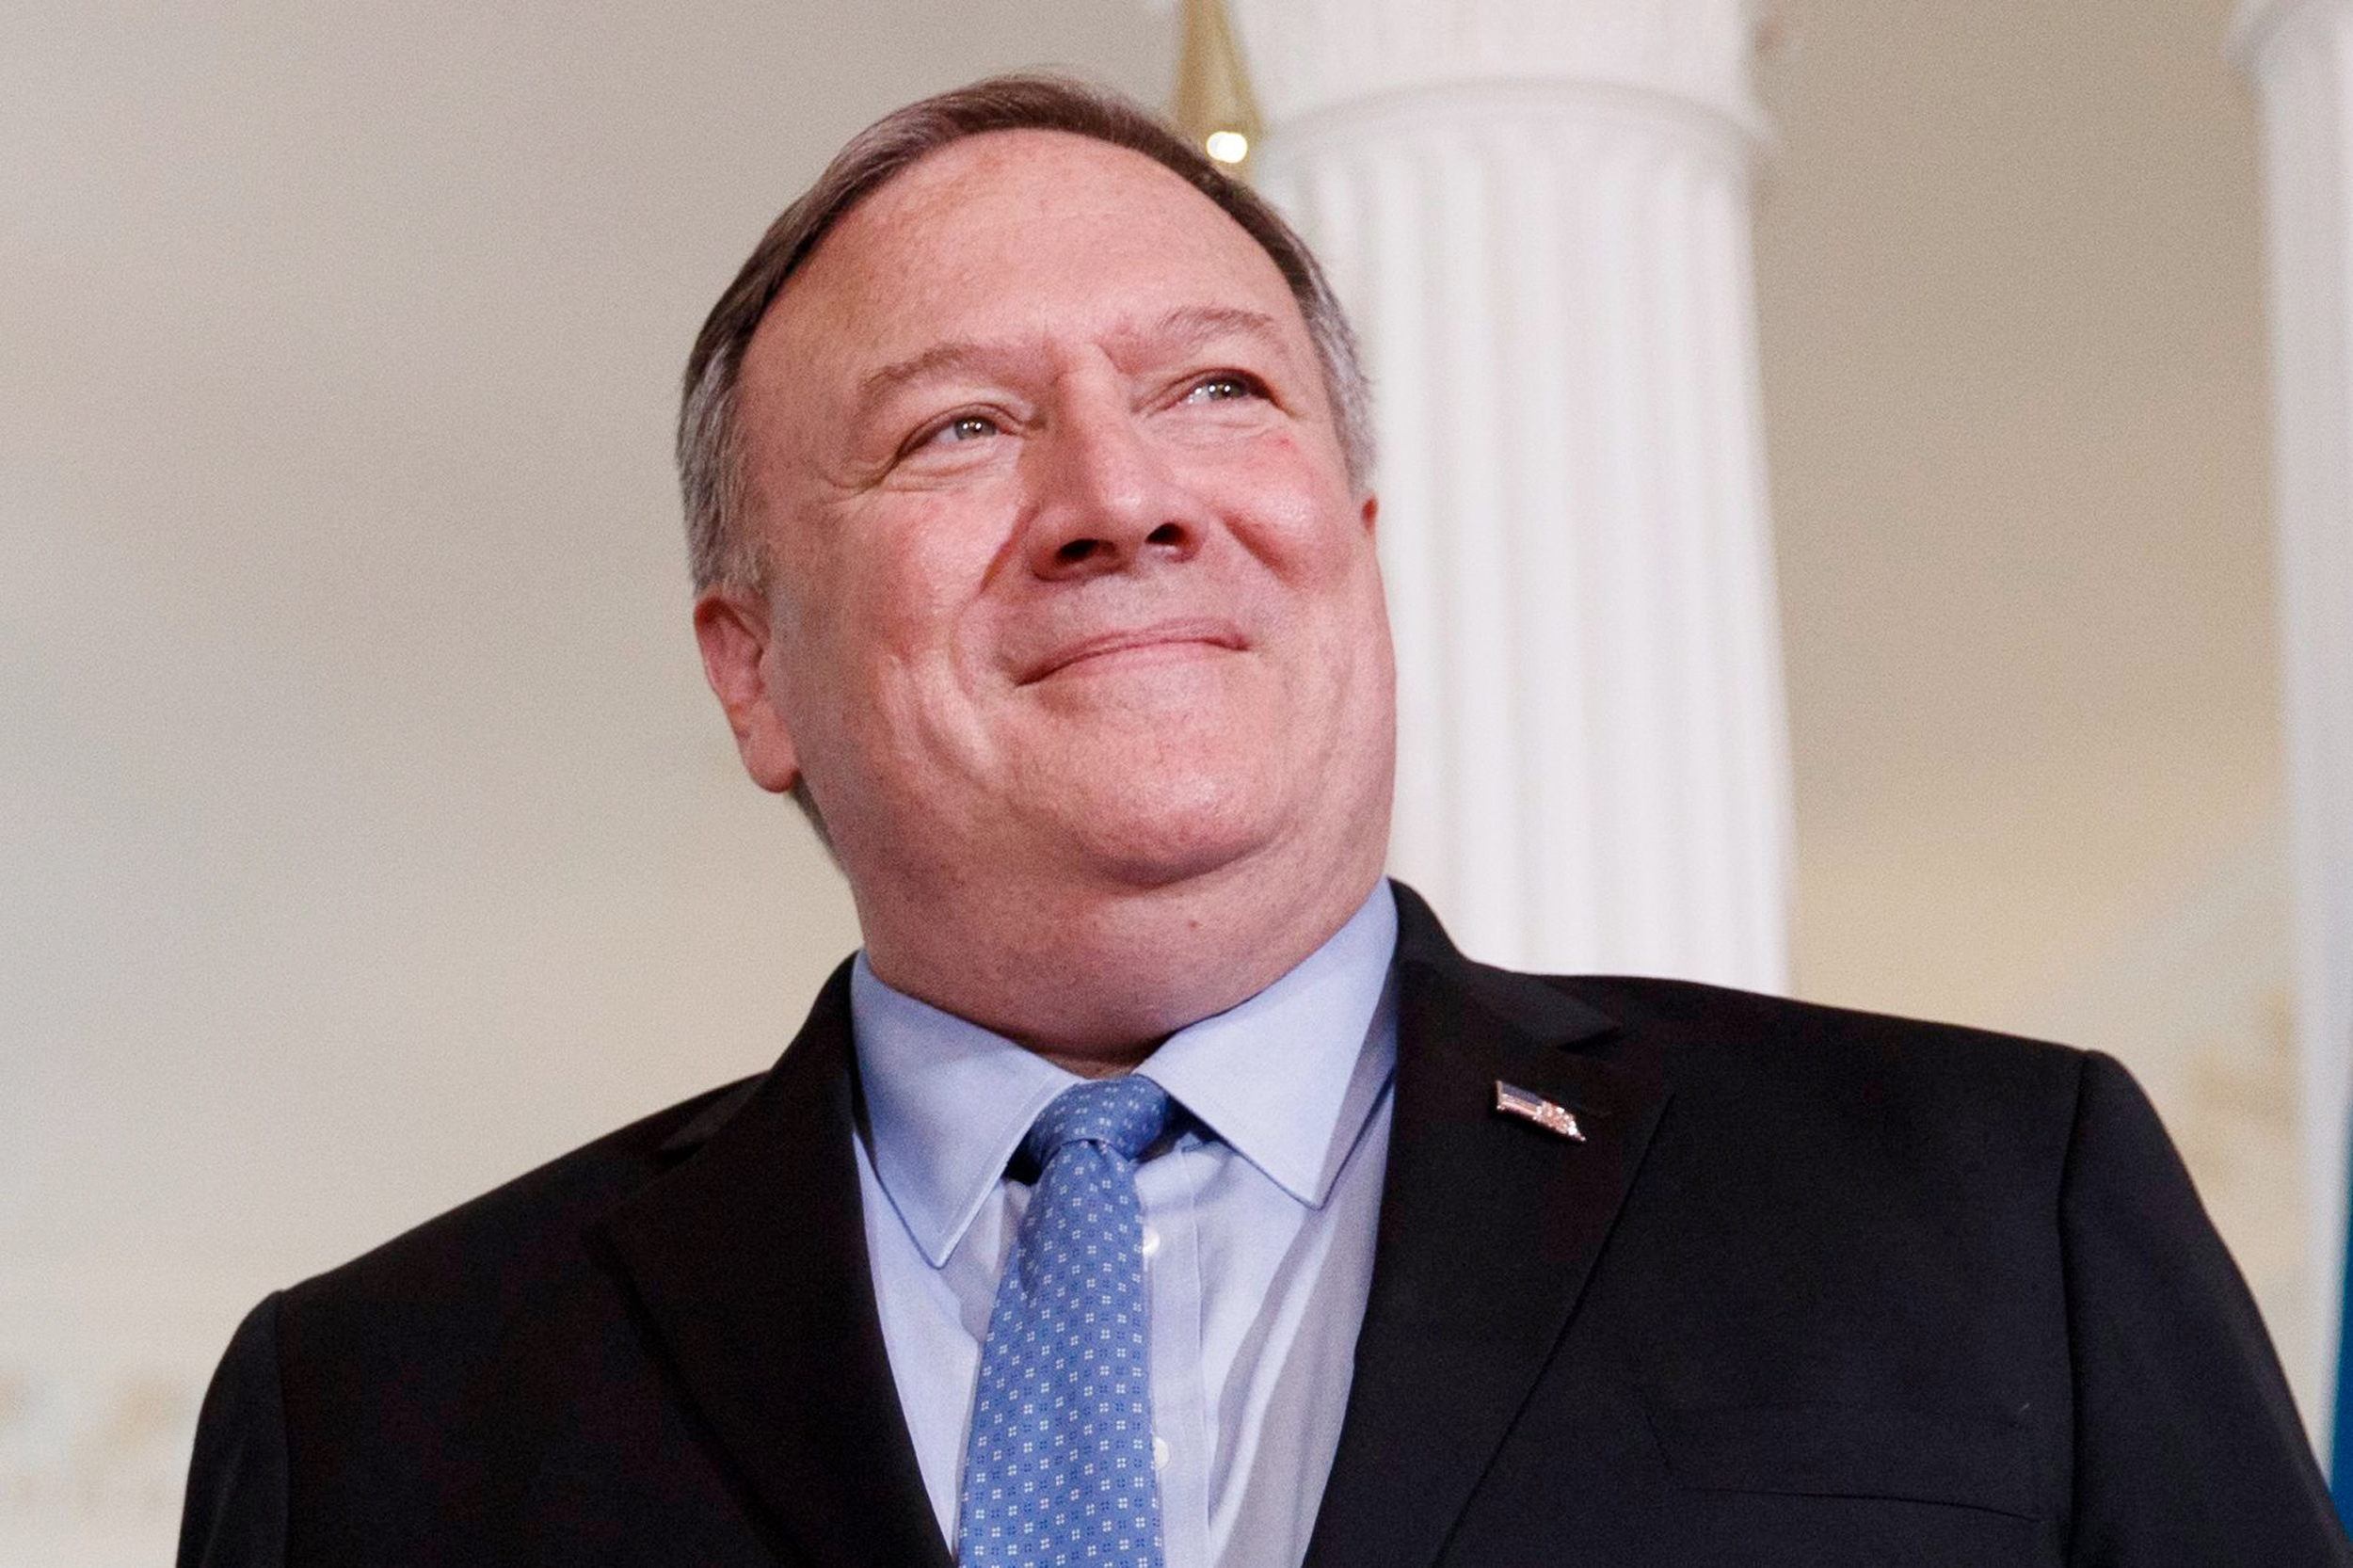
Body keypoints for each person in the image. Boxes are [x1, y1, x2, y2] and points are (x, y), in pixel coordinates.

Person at [178, 73, 2347, 1567]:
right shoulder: (378, 1414)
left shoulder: (1989, 1208)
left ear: (1354, 539)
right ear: (752, 668)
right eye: (959, 425)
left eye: (1216, 386)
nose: (1120, 494)